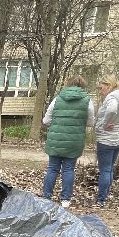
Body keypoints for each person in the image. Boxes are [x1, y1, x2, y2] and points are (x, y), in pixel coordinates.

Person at [41, 73, 95, 209]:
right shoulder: (88, 101)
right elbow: (90, 122)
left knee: (52, 168)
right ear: (83, 86)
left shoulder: (57, 99)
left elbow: (46, 120)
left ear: (67, 84)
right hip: (74, 140)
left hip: (56, 139)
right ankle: (65, 199)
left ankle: (46, 196)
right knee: (69, 169)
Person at [95, 74, 119, 207]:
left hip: (108, 138)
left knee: (105, 169)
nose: (101, 91)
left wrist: (105, 124)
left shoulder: (112, 96)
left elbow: (111, 110)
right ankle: (104, 196)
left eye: (101, 88)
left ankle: (101, 199)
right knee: (109, 168)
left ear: (108, 85)